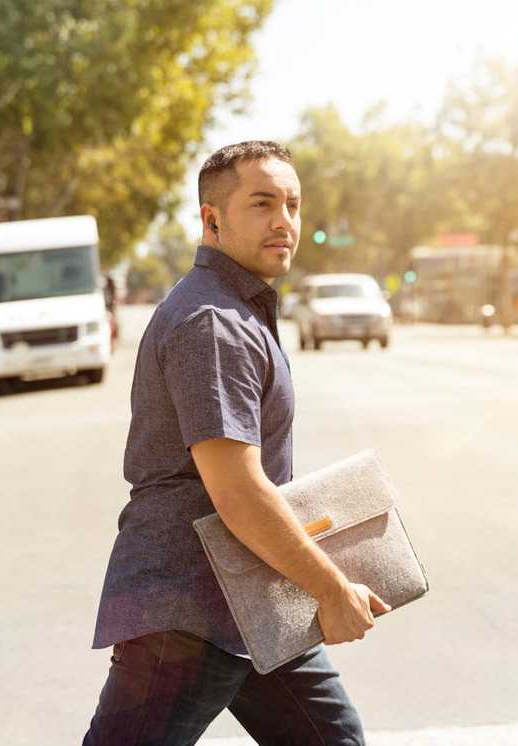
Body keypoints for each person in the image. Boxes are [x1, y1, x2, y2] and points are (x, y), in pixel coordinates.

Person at [84, 142, 388, 746]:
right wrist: (330, 588)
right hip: (189, 612)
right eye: (262, 203)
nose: (285, 221)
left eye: (293, 204)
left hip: (250, 598)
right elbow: (238, 492)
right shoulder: (213, 324)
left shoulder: (236, 310)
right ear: (212, 219)